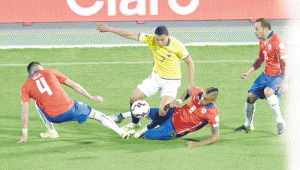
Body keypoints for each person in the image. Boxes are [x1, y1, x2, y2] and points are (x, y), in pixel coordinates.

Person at [95, 24, 195, 129]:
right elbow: (130, 35)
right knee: (134, 97)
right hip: (156, 77)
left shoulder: (177, 45)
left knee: (163, 109)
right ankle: (135, 123)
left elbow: (190, 62)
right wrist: (110, 29)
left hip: (172, 81)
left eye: (162, 40)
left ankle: (155, 127)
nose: (159, 42)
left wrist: (191, 82)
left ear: (168, 36)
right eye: (157, 40)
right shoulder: (151, 39)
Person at [18, 62, 134, 143]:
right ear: (39, 68)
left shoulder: (25, 86)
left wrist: (25, 133)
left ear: (30, 72)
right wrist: (90, 97)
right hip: (71, 109)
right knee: (96, 115)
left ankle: (52, 131)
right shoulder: (49, 71)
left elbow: (25, 111)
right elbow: (73, 84)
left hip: (53, 117)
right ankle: (121, 131)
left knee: (38, 104)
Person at [235, 18, 290, 134]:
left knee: (268, 92)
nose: (255, 31)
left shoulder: (278, 41)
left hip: (278, 75)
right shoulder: (262, 41)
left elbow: (288, 62)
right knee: (249, 98)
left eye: (257, 29)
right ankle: (248, 125)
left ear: (265, 29)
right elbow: (260, 60)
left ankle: (280, 121)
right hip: (266, 75)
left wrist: (285, 82)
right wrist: (248, 71)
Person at [132, 87, 219, 147]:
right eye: (203, 96)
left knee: (146, 135)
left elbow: (215, 137)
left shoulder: (213, 114)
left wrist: (197, 144)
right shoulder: (199, 92)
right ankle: (121, 117)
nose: (201, 100)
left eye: (206, 99)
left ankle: (156, 126)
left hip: (174, 128)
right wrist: (180, 100)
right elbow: (189, 91)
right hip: (173, 112)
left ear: (213, 100)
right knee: (144, 111)